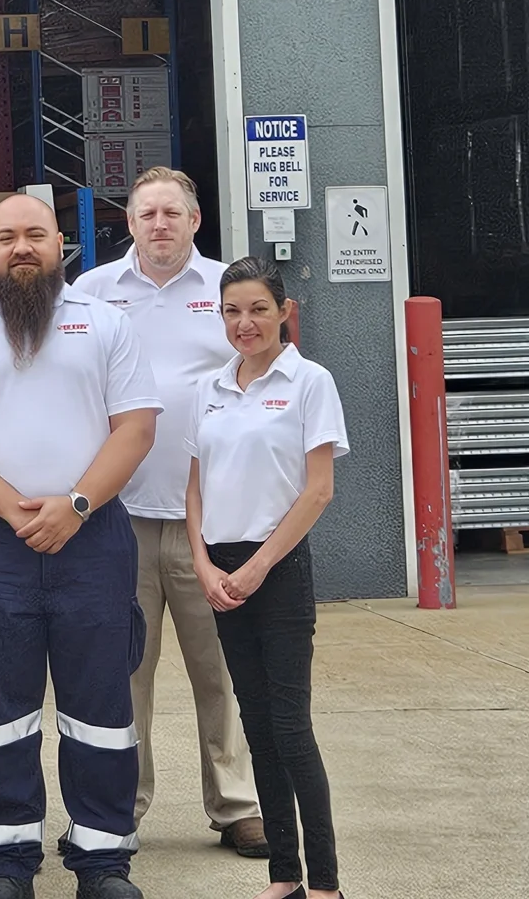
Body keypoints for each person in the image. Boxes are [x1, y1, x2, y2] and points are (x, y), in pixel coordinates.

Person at [0, 194, 159, 899]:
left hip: (93, 535)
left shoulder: (107, 324)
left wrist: (75, 505)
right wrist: (15, 510)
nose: (21, 247)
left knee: (100, 703)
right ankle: (7, 859)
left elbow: (136, 428)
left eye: (35, 235)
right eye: (6, 238)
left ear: (61, 244)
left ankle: (103, 861)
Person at [71, 169, 265, 856]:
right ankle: (118, 806)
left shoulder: (228, 291)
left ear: (195, 220)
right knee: (122, 673)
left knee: (222, 667)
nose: (159, 224)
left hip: (209, 520)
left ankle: (238, 804)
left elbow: (265, 380)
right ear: (128, 223)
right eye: (147, 213)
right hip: (115, 517)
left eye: (171, 214)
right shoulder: (92, 293)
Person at [185, 259, 349, 899]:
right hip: (221, 574)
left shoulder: (309, 381)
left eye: (257, 309)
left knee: (290, 729)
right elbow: (195, 487)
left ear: (284, 312)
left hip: (276, 569)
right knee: (255, 725)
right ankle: (285, 876)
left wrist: (257, 567)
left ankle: (326, 883)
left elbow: (318, 490)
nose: (244, 323)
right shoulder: (211, 387)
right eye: (232, 312)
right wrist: (203, 564)